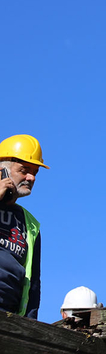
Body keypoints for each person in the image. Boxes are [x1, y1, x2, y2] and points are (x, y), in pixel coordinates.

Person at [0, 134, 47, 318]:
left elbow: (33, 284)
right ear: (2, 170)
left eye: (35, 172)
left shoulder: (30, 223)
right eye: (25, 170)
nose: (31, 177)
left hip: (9, 318)